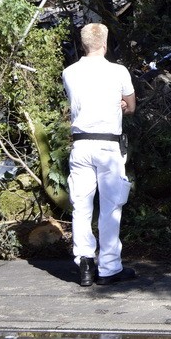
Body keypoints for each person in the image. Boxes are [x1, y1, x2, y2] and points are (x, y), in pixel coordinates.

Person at [62, 22, 136, 287]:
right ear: (105, 44)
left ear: (83, 44)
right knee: (111, 207)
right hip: (108, 146)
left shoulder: (69, 72)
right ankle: (109, 267)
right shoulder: (118, 71)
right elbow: (131, 106)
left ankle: (84, 263)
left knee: (81, 206)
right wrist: (121, 106)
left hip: (80, 145)